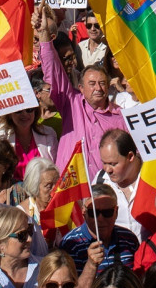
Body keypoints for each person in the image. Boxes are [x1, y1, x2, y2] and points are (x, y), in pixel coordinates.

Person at [40, 16, 126, 182]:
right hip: (70, 190)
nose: (98, 88)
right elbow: (52, 71)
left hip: (104, 192)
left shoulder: (120, 116)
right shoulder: (71, 102)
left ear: (108, 87)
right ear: (81, 88)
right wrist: (44, 34)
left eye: (102, 83)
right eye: (92, 84)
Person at [57, 184, 139, 288]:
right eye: (94, 213)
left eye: (107, 212)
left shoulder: (129, 239)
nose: (100, 219)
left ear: (116, 212)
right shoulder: (71, 244)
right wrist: (91, 265)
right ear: (84, 212)